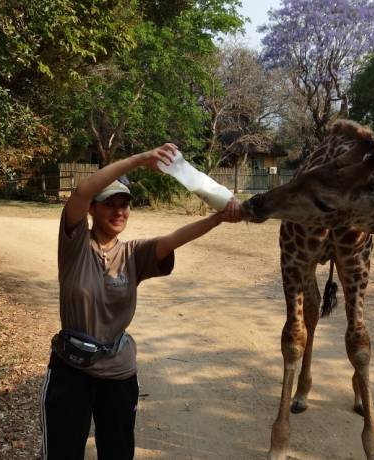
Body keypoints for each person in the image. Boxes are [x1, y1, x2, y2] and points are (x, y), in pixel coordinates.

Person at [39, 143, 241, 459]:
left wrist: (217, 219)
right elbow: (80, 191)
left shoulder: (134, 254)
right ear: (92, 209)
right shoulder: (75, 243)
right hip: (70, 370)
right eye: (110, 204)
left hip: (118, 374)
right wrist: (141, 160)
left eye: (125, 204)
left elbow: (174, 238)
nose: (119, 211)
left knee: (118, 453)